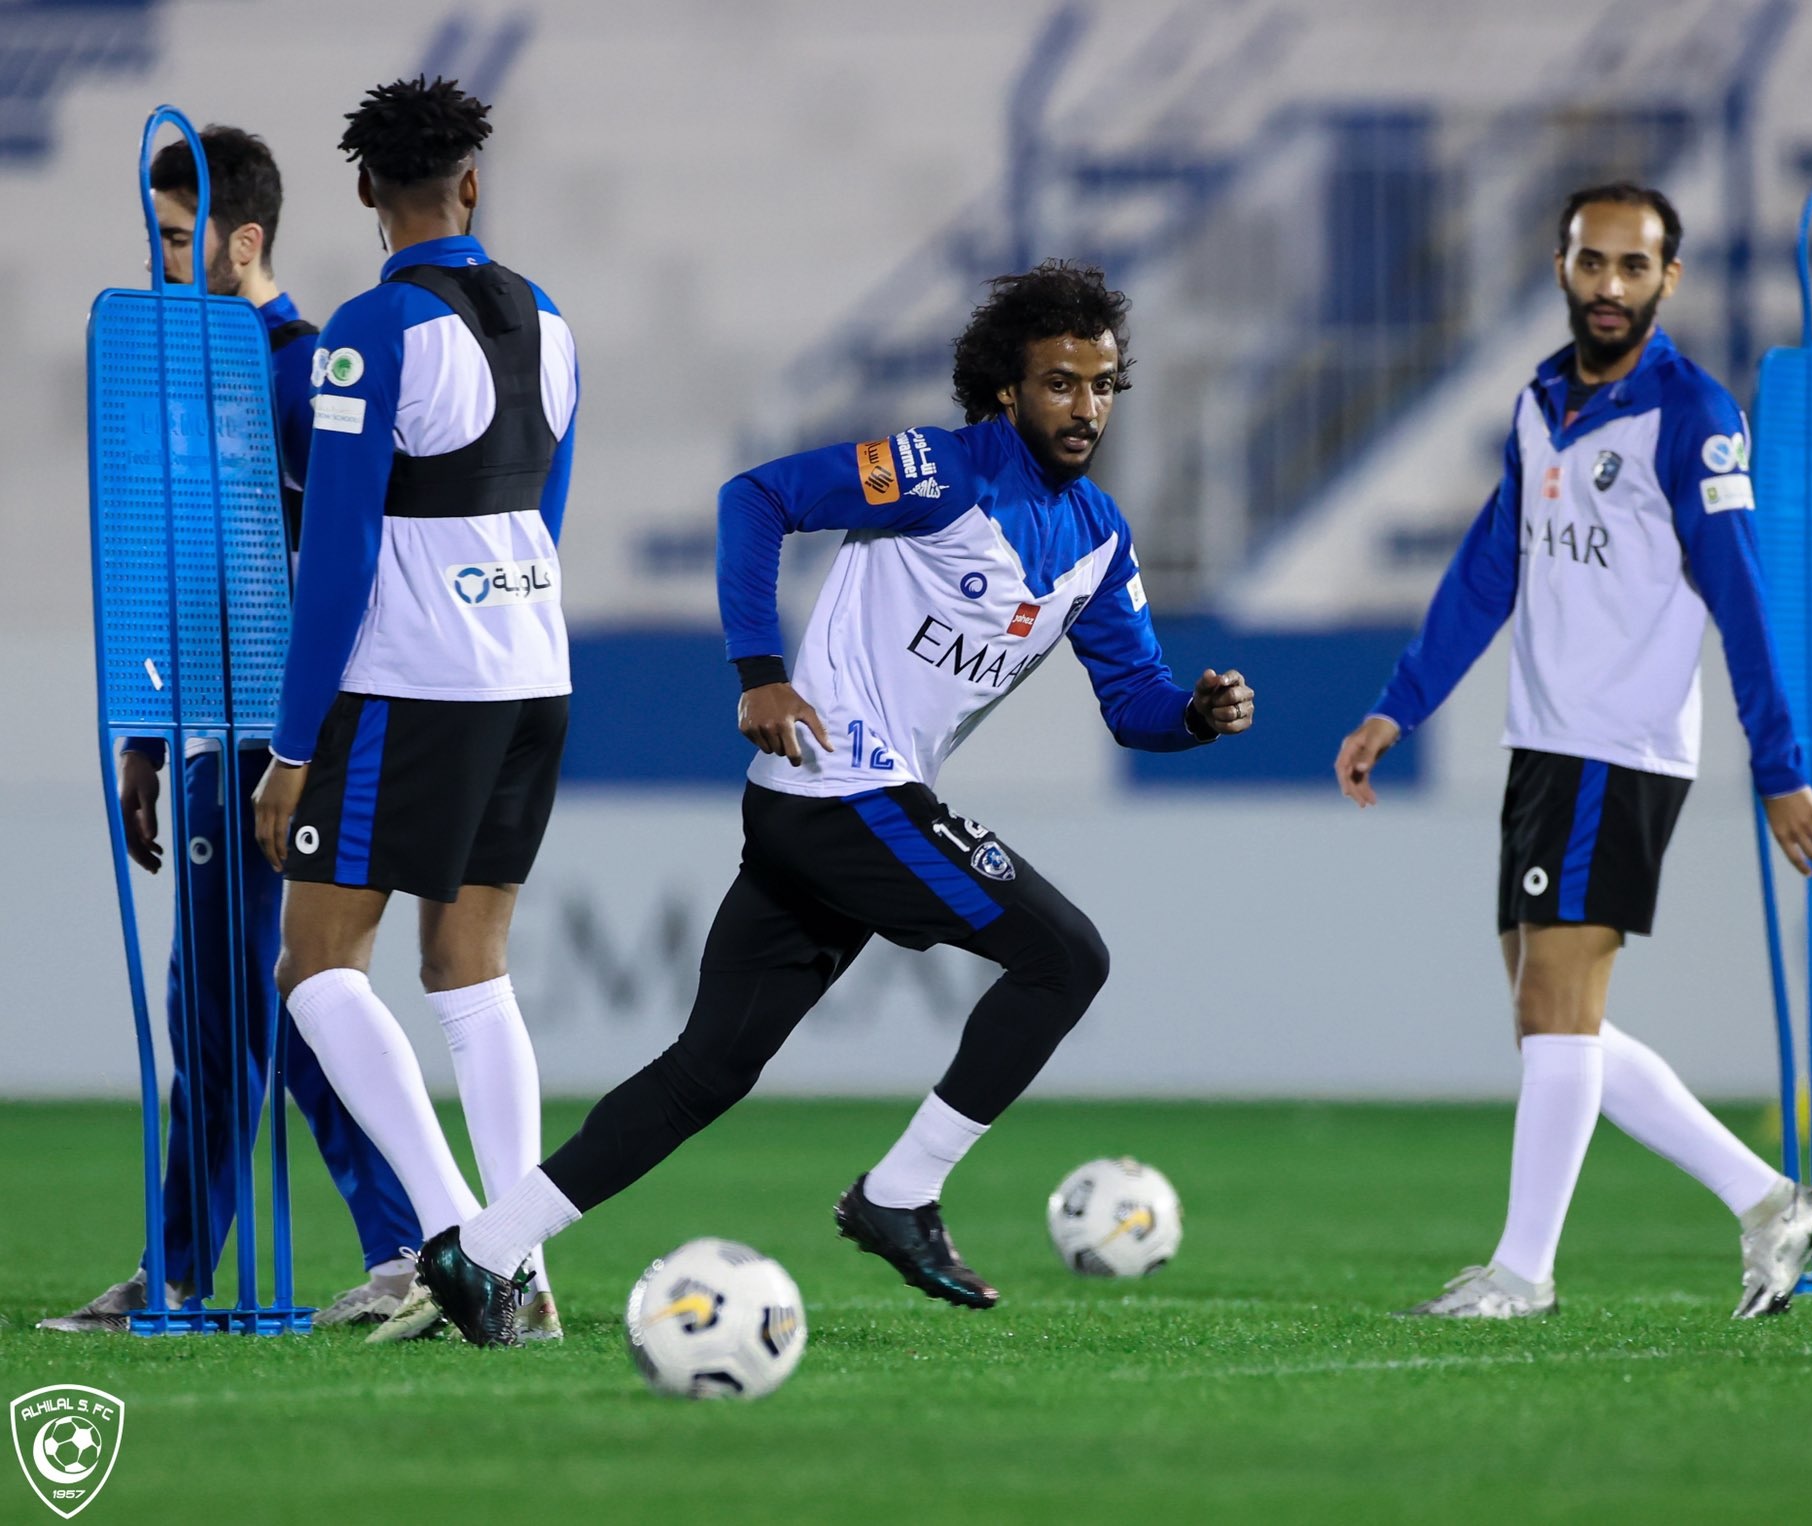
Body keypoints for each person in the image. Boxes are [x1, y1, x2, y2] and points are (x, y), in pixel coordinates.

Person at [414, 260, 1255, 1346]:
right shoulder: (933, 472)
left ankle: (478, 1253)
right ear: (1006, 388)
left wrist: (1192, 712)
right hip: (841, 786)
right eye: (1058, 382)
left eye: (1101, 385)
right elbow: (753, 497)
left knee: (707, 1067)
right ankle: (899, 1194)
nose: (1084, 407)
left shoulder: (1097, 534)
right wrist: (758, 668)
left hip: (828, 804)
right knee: (1066, 955)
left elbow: (1132, 698)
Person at [1334, 183, 1812, 1320]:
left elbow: (1741, 595)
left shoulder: (1691, 414)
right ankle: (1768, 1200)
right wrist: (1396, 705)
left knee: (1555, 1010)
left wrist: (1777, 764)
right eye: (1588, 261)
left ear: (1667, 281)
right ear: (1559, 267)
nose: (1606, 285)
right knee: (1546, 1015)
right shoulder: (1539, 402)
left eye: (1631, 266)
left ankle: (1521, 1273)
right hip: (1543, 746)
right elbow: (1485, 569)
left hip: (1618, 748)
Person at [42, 125, 422, 1334]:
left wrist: (304, 743)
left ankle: (346, 1255)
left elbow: (348, 563)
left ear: (241, 239)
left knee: (264, 1005)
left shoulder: (301, 377)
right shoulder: (192, 368)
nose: (157, 263)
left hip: (280, 741)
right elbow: (191, 560)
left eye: (173, 240)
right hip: (209, 728)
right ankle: (379, 1252)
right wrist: (150, 732)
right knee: (260, 1008)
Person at [248, 77, 578, 1343]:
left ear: (364, 191)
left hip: (413, 683)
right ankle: (523, 1268)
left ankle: (457, 1248)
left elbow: (330, 562)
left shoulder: (366, 332)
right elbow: (545, 513)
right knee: (469, 965)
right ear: (474, 184)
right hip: (532, 670)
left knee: (317, 965)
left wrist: (292, 751)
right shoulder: (553, 320)